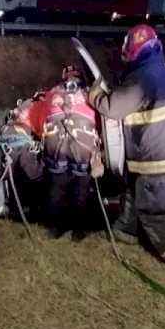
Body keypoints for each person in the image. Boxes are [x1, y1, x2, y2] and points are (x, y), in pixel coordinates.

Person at [89, 24, 165, 269]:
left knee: (153, 209)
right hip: (158, 154)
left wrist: (94, 95)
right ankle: (127, 232)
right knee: (134, 195)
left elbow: (113, 108)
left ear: (131, 51)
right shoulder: (160, 71)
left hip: (156, 159)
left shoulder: (142, 77)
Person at [40, 65, 100, 240]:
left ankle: (58, 228)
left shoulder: (52, 93)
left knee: (58, 188)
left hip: (58, 144)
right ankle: (77, 230)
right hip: (81, 144)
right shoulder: (90, 92)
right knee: (79, 189)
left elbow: (42, 114)